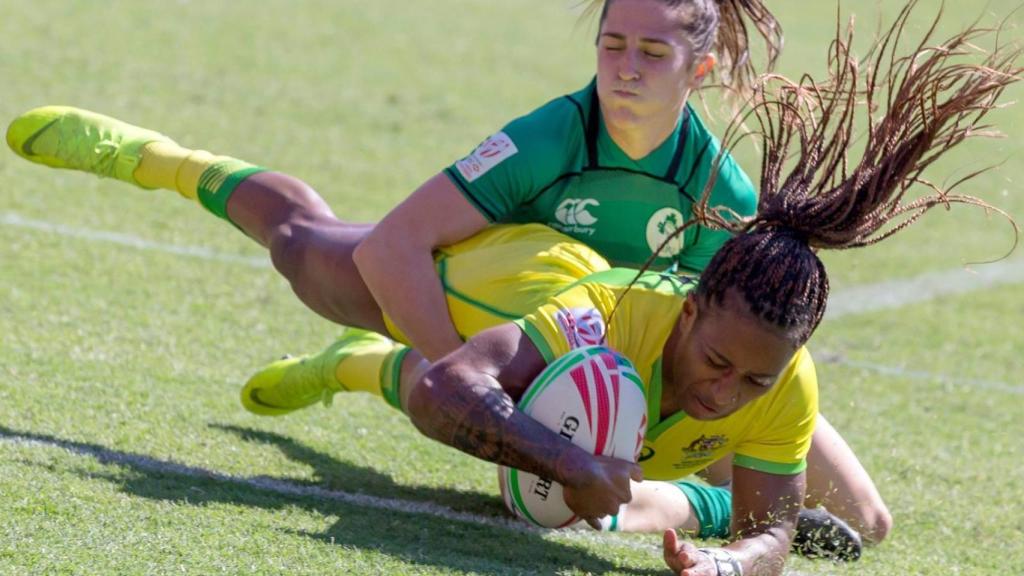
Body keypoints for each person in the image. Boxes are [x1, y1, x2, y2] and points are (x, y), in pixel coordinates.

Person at [8, 4, 1018, 573]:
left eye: (651, 51)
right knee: (309, 249)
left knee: (864, 521)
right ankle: (162, 159)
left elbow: (748, 340)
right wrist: (486, 401)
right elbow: (397, 248)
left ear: (699, 65)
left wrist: (757, 489)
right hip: (483, 286)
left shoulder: (727, 196)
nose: (624, 68)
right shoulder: (552, 136)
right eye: (610, 44)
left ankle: (677, 509)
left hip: (621, 338)